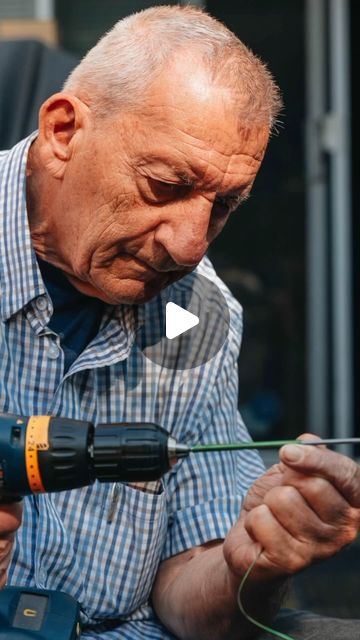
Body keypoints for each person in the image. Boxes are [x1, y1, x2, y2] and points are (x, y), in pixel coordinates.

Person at [0, 5, 359, 639]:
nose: (191, 246)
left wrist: (250, 563)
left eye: (222, 206)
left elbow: (186, 590)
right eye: (164, 184)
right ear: (63, 131)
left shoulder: (196, 314)